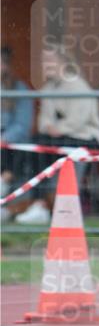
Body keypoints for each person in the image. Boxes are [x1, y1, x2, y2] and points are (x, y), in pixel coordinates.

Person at [13, 45, 99, 224]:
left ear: (63, 61)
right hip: (59, 138)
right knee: (34, 147)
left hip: (84, 137)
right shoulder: (48, 88)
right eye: (43, 61)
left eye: (49, 60)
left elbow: (79, 119)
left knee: (47, 148)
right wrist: (50, 128)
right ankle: (37, 203)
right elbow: (44, 120)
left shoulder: (78, 86)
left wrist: (59, 128)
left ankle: (44, 204)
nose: (45, 65)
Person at [1, 46, 34, 206]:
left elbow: (23, 125)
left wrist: (4, 138)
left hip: (11, 141)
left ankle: (3, 182)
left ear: (5, 65)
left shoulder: (19, 88)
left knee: (17, 149)